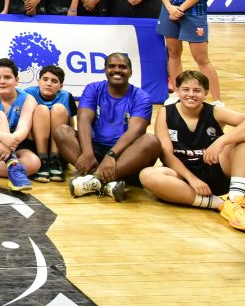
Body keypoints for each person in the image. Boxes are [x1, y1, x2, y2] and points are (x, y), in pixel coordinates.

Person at [140, 70, 245, 232]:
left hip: (214, 169)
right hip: (183, 178)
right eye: (185, 89)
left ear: (206, 94)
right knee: (147, 175)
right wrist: (192, 179)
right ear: (177, 91)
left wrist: (221, 141)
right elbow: (167, 155)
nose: (191, 94)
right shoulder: (166, 112)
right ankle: (222, 204)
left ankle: (236, 198)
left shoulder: (215, 111)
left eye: (197, 90)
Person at [52, 53, 162, 202]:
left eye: (122, 67)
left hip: (125, 155)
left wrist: (111, 155)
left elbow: (135, 132)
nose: (117, 70)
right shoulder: (93, 88)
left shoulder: (142, 97)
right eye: (112, 66)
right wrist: (87, 152)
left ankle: (95, 179)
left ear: (130, 72)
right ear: (105, 70)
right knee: (61, 131)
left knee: (151, 141)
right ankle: (108, 184)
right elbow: (83, 119)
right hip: (94, 151)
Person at [0, 58, 40, 191]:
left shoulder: (28, 99)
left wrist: (8, 144)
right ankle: (13, 165)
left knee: (34, 163)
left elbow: (23, 128)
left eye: (7, 77)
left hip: (14, 145)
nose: (2, 81)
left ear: (16, 80)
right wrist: (3, 138)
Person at [24, 65, 74, 183]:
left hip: (59, 147)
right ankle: (42, 159)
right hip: (34, 144)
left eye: (54, 81)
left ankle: (55, 160)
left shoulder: (67, 96)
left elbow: (71, 125)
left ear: (61, 86)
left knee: (59, 108)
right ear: (39, 81)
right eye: (45, 79)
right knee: (41, 109)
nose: (48, 84)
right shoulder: (28, 93)